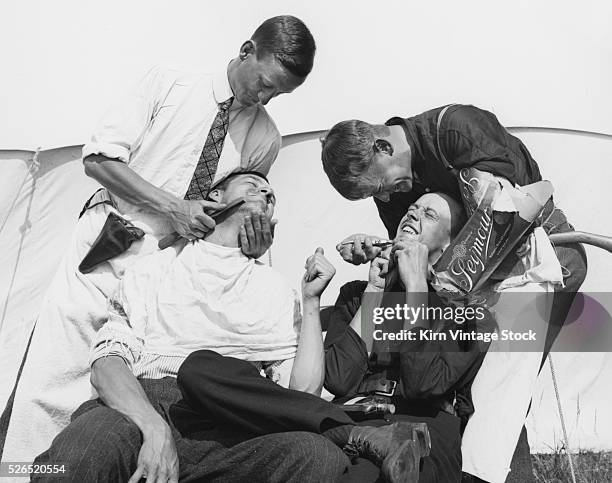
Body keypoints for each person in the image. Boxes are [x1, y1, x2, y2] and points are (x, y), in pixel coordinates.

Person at [1, 15, 316, 463]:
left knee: (124, 398)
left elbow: (233, 207)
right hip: (108, 247)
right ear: (247, 50)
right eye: (265, 83)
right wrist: (173, 207)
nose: (266, 98)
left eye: (280, 94)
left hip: (169, 279)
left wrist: (253, 245)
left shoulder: (266, 137)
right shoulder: (169, 85)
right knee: (53, 382)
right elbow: (99, 160)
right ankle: (23, 473)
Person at [34, 173, 422, 483]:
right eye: (254, 186)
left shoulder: (276, 289)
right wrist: (154, 428)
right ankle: (350, 433)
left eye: (272, 195)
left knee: (315, 458)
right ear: (216, 198)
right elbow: (107, 366)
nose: (267, 193)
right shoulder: (155, 266)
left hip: (229, 424)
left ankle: (350, 436)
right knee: (83, 450)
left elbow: (304, 393)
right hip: (143, 405)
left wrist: (310, 300)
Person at [320, 105, 587, 481]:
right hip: (462, 284)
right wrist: (383, 252)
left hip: (531, 264)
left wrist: (421, 284)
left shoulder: (458, 130)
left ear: (382, 147)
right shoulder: (397, 192)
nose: (387, 198)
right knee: (484, 397)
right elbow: (417, 251)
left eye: (380, 187)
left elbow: (500, 223)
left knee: (498, 393)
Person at [175, 192, 486, 483]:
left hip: (417, 433)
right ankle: (353, 436)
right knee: (198, 368)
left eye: (429, 214)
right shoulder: (358, 294)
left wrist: (416, 285)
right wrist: (375, 292)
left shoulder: (468, 311)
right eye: (411, 209)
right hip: (345, 420)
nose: (413, 216)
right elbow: (340, 379)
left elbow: (423, 383)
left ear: (451, 244)